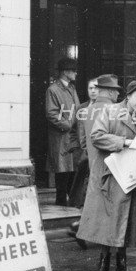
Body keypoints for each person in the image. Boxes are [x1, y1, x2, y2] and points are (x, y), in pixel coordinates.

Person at [77, 79, 136, 271]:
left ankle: (121, 264)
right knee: (108, 222)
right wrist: (124, 142)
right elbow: (96, 136)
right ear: (128, 96)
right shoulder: (110, 112)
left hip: (132, 176)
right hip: (111, 175)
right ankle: (103, 265)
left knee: (125, 222)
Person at [45, 57, 80, 206]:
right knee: (62, 170)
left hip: (72, 136)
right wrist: (68, 125)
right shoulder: (53, 90)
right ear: (66, 72)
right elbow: (51, 113)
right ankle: (60, 202)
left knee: (71, 169)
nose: (76, 74)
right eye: (74, 71)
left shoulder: (72, 88)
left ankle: (71, 201)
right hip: (61, 136)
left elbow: (77, 109)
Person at [68, 78, 99, 212]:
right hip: (83, 153)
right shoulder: (81, 108)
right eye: (90, 88)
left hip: (98, 152)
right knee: (81, 185)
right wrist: (76, 148)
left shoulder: (107, 108)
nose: (92, 91)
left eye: (96, 88)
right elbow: (73, 129)